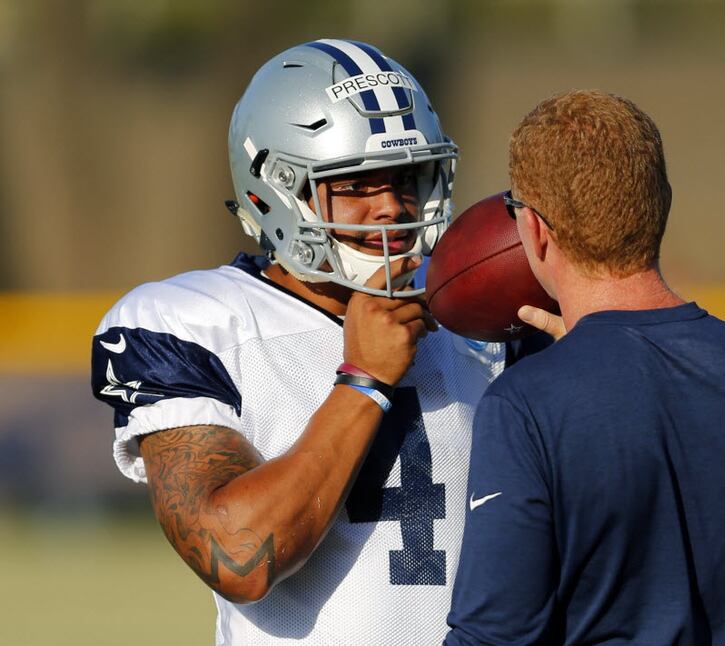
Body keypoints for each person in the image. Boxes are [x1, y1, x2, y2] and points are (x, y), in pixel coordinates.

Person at [92, 39, 513, 645]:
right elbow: (237, 555)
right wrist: (364, 382)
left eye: (407, 179)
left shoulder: (479, 314)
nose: (392, 208)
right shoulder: (193, 322)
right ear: (277, 190)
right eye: (357, 185)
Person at [445, 90, 725, 646]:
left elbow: (493, 636)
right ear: (659, 203)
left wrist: (580, 371)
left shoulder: (529, 403)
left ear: (536, 230)